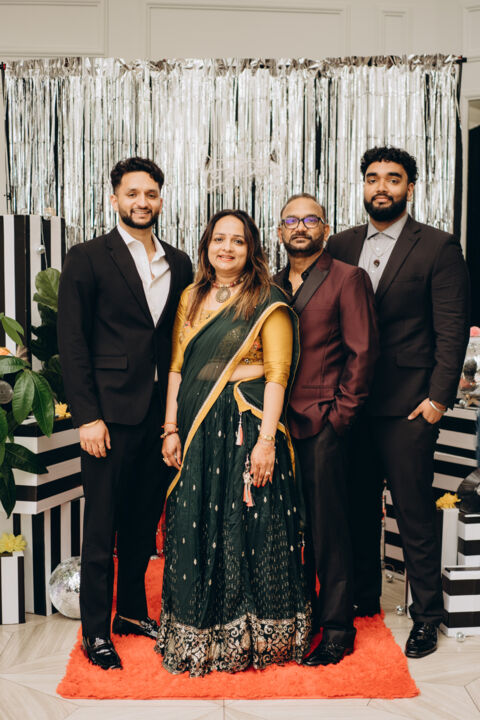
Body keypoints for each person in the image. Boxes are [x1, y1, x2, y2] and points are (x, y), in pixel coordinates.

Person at [155, 209, 311, 676]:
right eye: (219, 239)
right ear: (206, 246)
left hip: (246, 425)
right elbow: (178, 367)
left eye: (238, 241)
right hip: (196, 425)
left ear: (251, 249)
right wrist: (170, 428)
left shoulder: (268, 299)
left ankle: (258, 635)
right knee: (194, 521)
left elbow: (279, 374)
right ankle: (197, 633)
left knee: (250, 528)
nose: (227, 248)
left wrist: (266, 442)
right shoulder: (191, 296)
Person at [328, 146, 470, 658]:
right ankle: (364, 597)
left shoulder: (437, 246)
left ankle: (427, 615)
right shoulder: (340, 244)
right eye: (373, 178)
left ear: (410, 187)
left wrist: (437, 401)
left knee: (413, 512)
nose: (381, 187)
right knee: (356, 507)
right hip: (350, 403)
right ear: (363, 185)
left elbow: (451, 330)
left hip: (409, 406)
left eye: (393, 178)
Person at [58, 157, 193, 670]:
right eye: (132, 193)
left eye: (151, 193)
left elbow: (177, 338)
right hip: (108, 417)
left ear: (160, 199)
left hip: (160, 418)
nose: (142, 202)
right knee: (102, 526)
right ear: (114, 199)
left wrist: (175, 419)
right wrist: (86, 417)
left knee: (141, 523)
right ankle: (95, 631)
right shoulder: (88, 257)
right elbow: (72, 342)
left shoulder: (179, 262)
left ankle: (131, 612)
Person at [274, 194, 379, 666]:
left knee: (330, 530)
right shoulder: (271, 284)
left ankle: (337, 629)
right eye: (291, 220)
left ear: (325, 228)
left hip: (323, 425)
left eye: (310, 219)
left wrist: (340, 419)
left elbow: (363, 353)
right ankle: (305, 616)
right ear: (280, 231)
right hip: (274, 427)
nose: (300, 227)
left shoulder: (347, 278)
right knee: (289, 528)